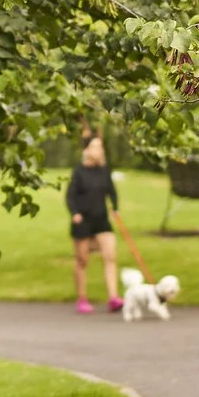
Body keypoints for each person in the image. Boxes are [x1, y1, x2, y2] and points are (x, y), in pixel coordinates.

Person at [67, 133, 122, 313]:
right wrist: (75, 213)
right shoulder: (79, 172)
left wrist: (115, 207)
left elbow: (112, 191)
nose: (99, 150)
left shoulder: (104, 170)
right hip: (83, 220)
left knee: (110, 256)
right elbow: (70, 196)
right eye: (95, 146)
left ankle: (113, 297)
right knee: (82, 260)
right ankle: (82, 299)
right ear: (86, 150)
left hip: (101, 220)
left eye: (100, 147)